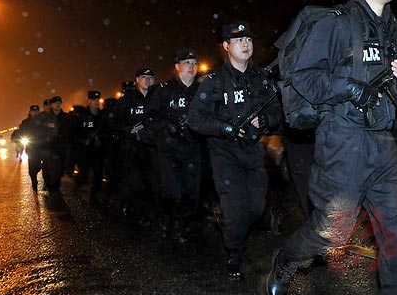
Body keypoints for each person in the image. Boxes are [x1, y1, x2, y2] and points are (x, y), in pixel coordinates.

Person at [265, 0, 397, 295]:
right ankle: (286, 261)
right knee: (332, 232)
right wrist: (350, 88)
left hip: (382, 144)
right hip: (342, 142)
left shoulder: (395, 32)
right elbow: (303, 76)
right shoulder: (334, 24)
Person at [188, 21, 282, 280]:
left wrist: (265, 121)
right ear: (226, 47)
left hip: (252, 150)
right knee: (236, 209)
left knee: (256, 207)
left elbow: (276, 112)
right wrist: (224, 128)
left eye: (248, 39)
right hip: (224, 153)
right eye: (238, 40)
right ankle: (235, 253)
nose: (245, 44)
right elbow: (195, 118)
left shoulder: (261, 78)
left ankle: (231, 225)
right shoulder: (214, 81)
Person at [147, 48, 204, 242]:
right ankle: (164, 219)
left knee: (192, 193)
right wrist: (167, 125)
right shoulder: (164, 90)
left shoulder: (201, 91)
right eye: (187, 63)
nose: (191, 67)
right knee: (172, 192)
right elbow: (150, 117)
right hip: (169, 151)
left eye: (194, 63)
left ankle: (181, 225)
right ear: (177, 67)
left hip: (193, 150)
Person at [109, 67, 160, 224]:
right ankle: (134, 210)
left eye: (150, 77)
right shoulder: (127, 99)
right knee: (134, 183)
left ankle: (147, 211)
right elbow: (112, 120)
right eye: (144, 77)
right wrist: (126, 129)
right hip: (132, 149)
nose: (147, 80)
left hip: (152, 149)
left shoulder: (158, 99)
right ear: (137, 79)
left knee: (152, 184)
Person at [68, 90, 107, 201]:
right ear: (88, 101)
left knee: (98, 174)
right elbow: (73, 133)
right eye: (93, 100)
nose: (95, 102)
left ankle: (95, 196)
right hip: (84, 151)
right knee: (83, 173)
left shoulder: (102, 116)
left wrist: (101, 138)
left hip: (98, 151)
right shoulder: (82, 116)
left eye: (97, 100)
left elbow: (107, 130)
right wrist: (82, 141)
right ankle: (79, 187)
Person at [35, 96, 70, 192]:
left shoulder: (66, 117)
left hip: (61, 148)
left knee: (60, 170)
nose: (57, 105)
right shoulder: (44, 118)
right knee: (48, 168)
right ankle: (52, 187)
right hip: (48, 148)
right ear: (51, 105)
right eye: (55, 103)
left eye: (59, 103)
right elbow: (38, 133)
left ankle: (55, 186)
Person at [18, 105, 42, 190]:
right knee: (32, 166)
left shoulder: (42, 121)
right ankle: (34, 180)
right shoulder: (25, 122)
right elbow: (20, 132)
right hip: (31, 147)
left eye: (36, 111)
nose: (35, 113)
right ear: (30, 112)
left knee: (39, 164)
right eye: (33, 111)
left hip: (41, 147)